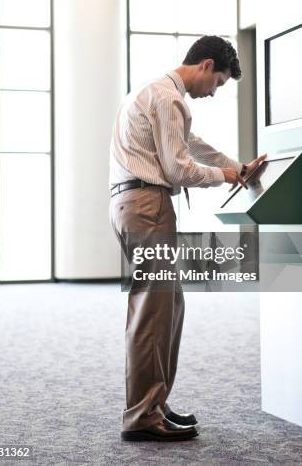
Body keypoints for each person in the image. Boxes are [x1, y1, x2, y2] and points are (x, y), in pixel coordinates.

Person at [109, 35, 266, 442]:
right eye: (218, 83)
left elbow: (190, 145)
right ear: (206, 65)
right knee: (153, 311)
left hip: (138, 202)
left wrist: (234, 165)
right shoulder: (167, 97)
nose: (213, 92)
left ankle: (154, 403)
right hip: (146, 203)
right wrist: (225, 176)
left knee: (168, 307)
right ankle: (143, 414)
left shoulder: (158, 92)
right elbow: (179, 170)